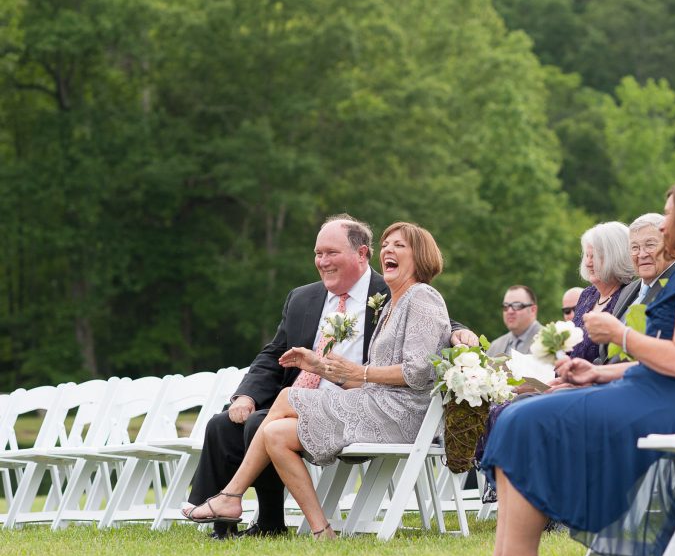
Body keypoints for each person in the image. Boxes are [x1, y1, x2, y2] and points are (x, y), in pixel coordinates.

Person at [476, 174, 675, 556]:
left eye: (670, 214)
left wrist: (619, 334)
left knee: (524, 420)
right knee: (520, 414)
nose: (662, 226)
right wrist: (599, 370)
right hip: (661, 392)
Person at [185, 217, 474, 539]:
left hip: (396, 413)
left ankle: (233, 498)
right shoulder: (382, 301)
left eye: (399, 245)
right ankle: (320, 531)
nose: (388, 250)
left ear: (361, 254)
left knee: (277, 408)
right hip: (368, 400)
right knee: (266, 431)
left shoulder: (411, 295)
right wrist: (311, 369)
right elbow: (276, 355)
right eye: (387, 244)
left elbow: (428, 350)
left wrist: (461, 334)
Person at [598, 213, 675, 363]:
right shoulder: (628, 290)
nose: (641, 254)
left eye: (650, 245)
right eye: (635, 248)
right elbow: (606, 357)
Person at [568, 222, 634, 363]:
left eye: (595, 256)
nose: (588, 263)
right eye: (587, 255)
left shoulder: (629, 297)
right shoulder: (587, 295)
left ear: (616, 258)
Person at [487, 286, 542, 357]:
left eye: (517, 305)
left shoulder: (550, 343)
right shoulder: (495, 347)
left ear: (533, 310)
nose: (510, 311)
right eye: (506, 306)